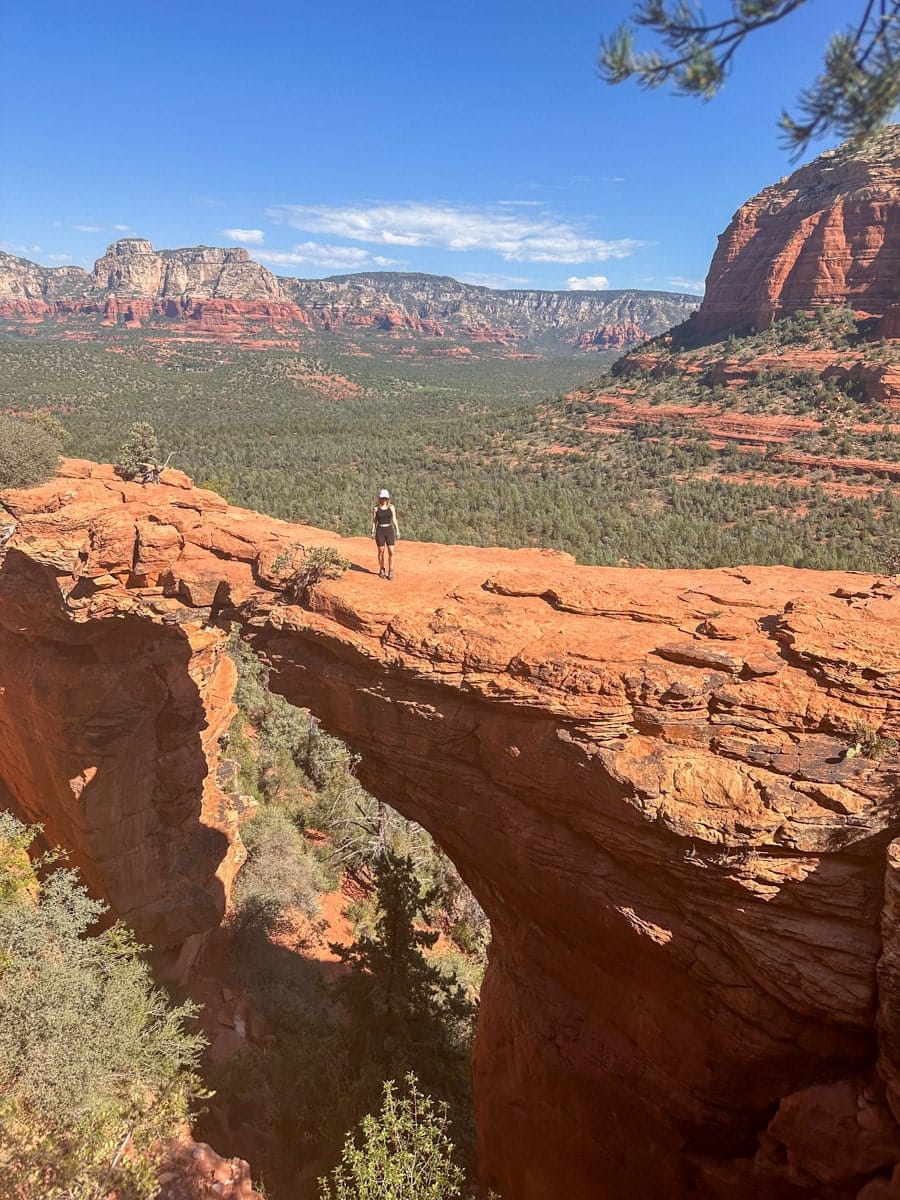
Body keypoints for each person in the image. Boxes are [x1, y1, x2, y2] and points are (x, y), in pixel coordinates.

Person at [372, 488, 400, 579]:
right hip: (380, 531)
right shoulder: (376, 508)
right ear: (380, 498)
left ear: (388, 499)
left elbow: (394, 519)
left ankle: (391, 570)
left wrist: (397, 530)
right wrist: (373, 531)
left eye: (385, 498)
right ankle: (381, 569)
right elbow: (374, 521)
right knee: (381, 551)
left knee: (391, 551)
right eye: (382, 498)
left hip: (389, 530)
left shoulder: (391, 507)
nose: (384, 500)